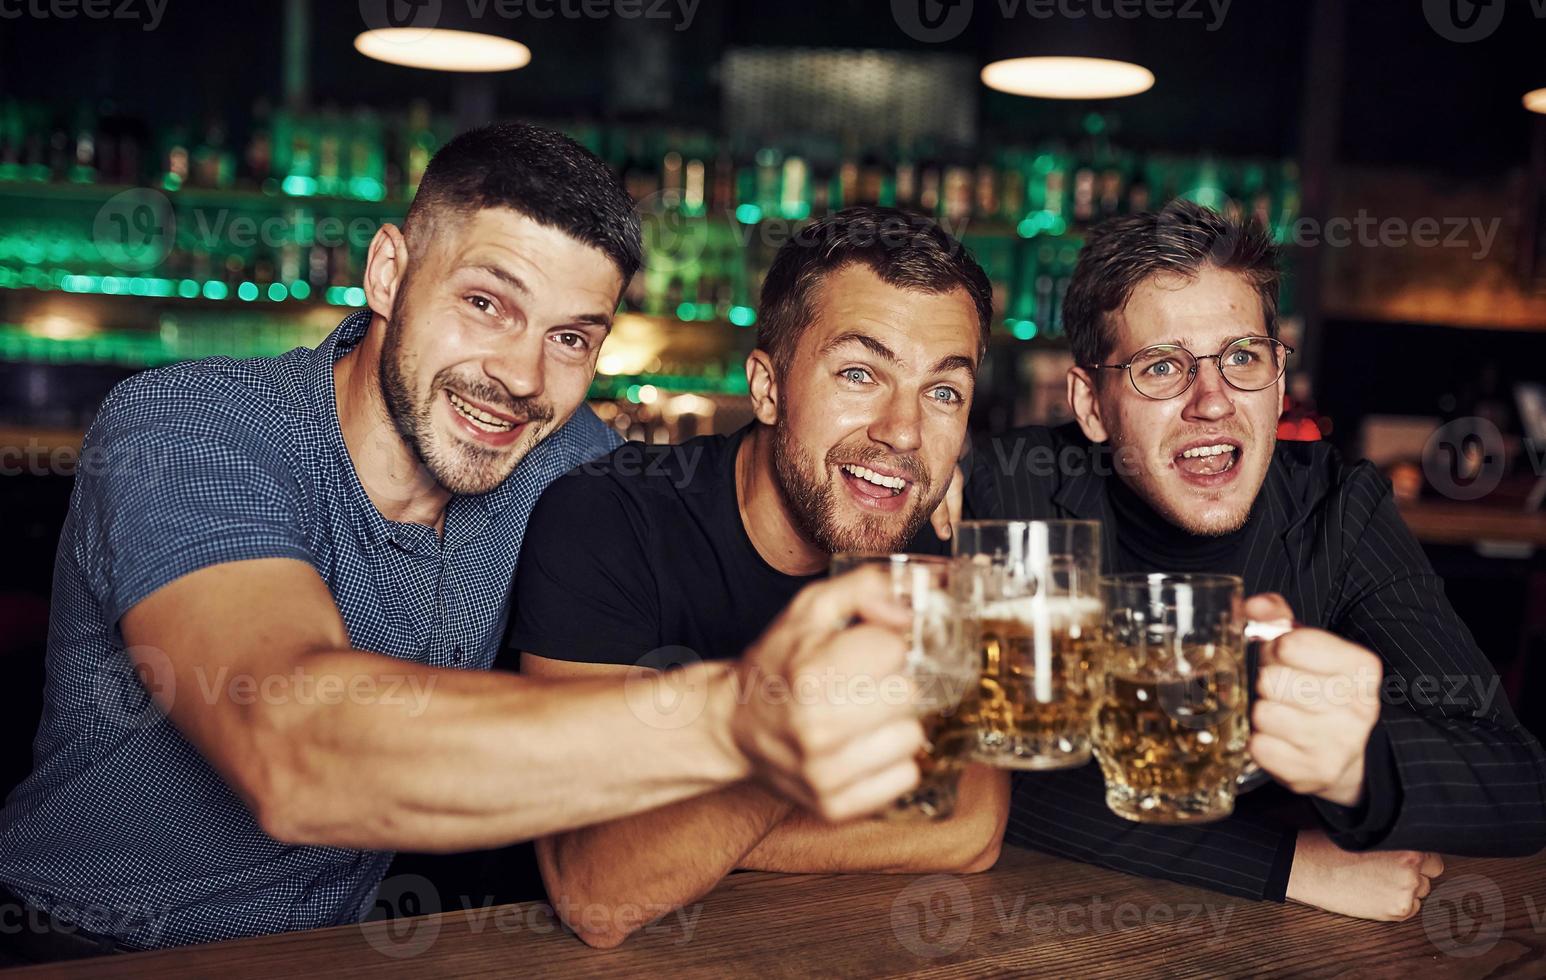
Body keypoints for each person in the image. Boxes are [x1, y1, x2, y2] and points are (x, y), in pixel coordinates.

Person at [0, 126, 931, 960]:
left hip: (348, 948)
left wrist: (901, 487)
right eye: (487, 304)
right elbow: (290, 749)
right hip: (90, 947)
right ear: (388, 273)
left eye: (572, 337)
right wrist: (740, 717)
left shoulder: (561, 455)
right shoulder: (190, 429)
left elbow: (725, 501)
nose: (521, 377)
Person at [966, 199, 1546, 922]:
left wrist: (1356, 767)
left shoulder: (1340, 507)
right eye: (1161, 366)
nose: (1211, 401)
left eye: (1242, 357)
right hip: (1044, 924)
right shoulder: (1013, 487)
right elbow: (993, 783)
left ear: (1277, 379)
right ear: (1091, 404)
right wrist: (1292, 865)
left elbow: (1521, 785)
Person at [507, 207, 1012, 948]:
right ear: (767, 387)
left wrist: (682, 846)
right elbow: (597, 885)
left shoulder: (928, 544)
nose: (904, 432)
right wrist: (809, 727)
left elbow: (970, 829)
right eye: (860, 373)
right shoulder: (609, 520)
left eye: (943, 392)